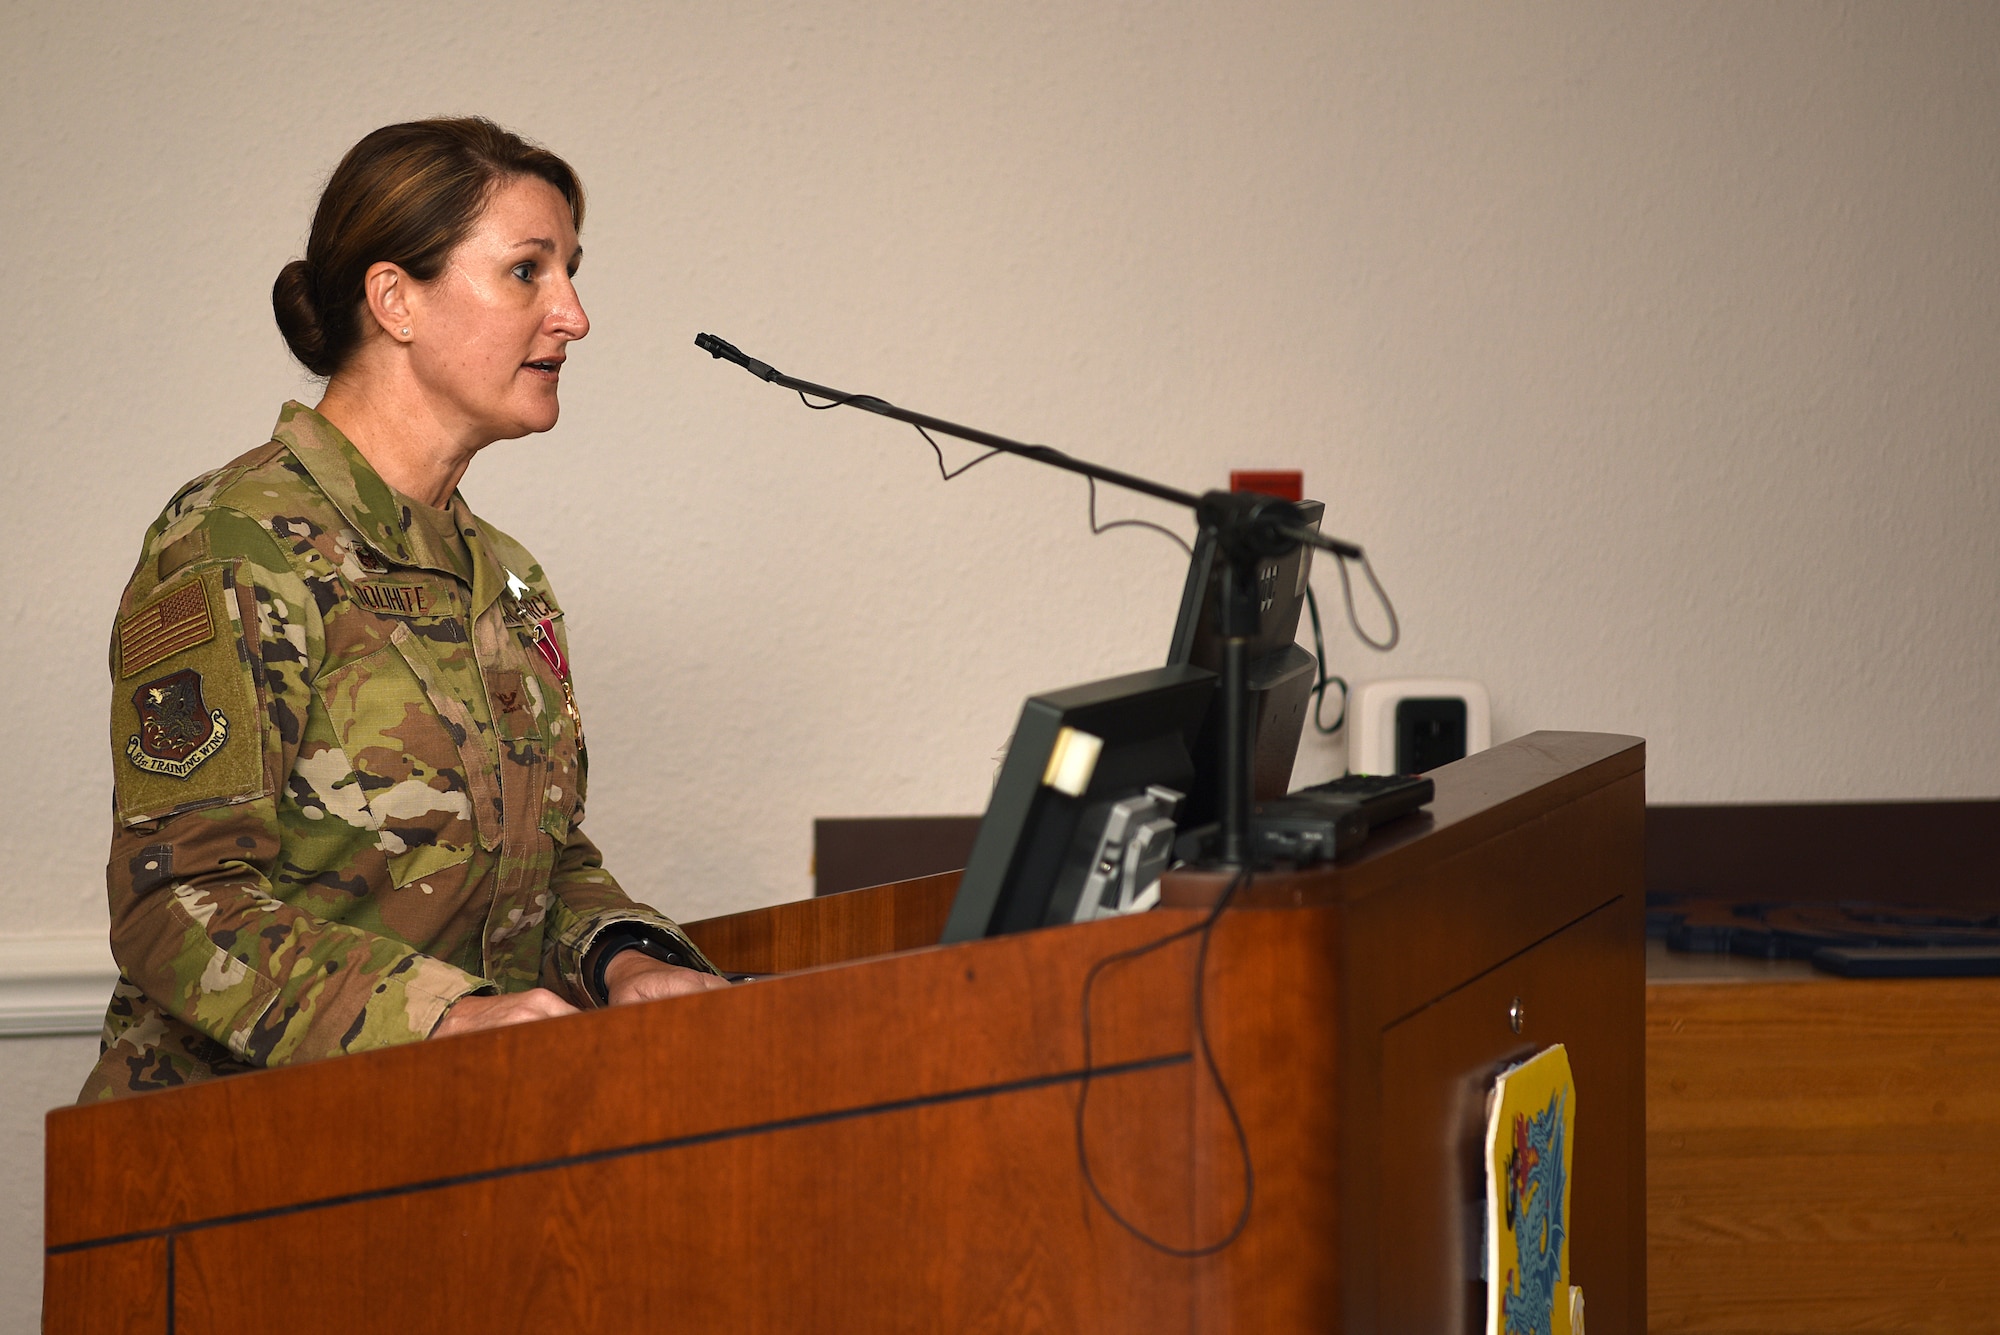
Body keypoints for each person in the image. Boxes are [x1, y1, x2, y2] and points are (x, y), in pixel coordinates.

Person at [81, 118, 729, 1102]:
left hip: (448, 1141)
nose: (573, 315)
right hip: (228, 1166)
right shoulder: (234, 541)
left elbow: (542, 877)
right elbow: (177, 902)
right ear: (395, 300)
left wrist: (627, 963)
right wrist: (447, 1018)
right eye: (527, 271)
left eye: (571, 272)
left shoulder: (505, 579)